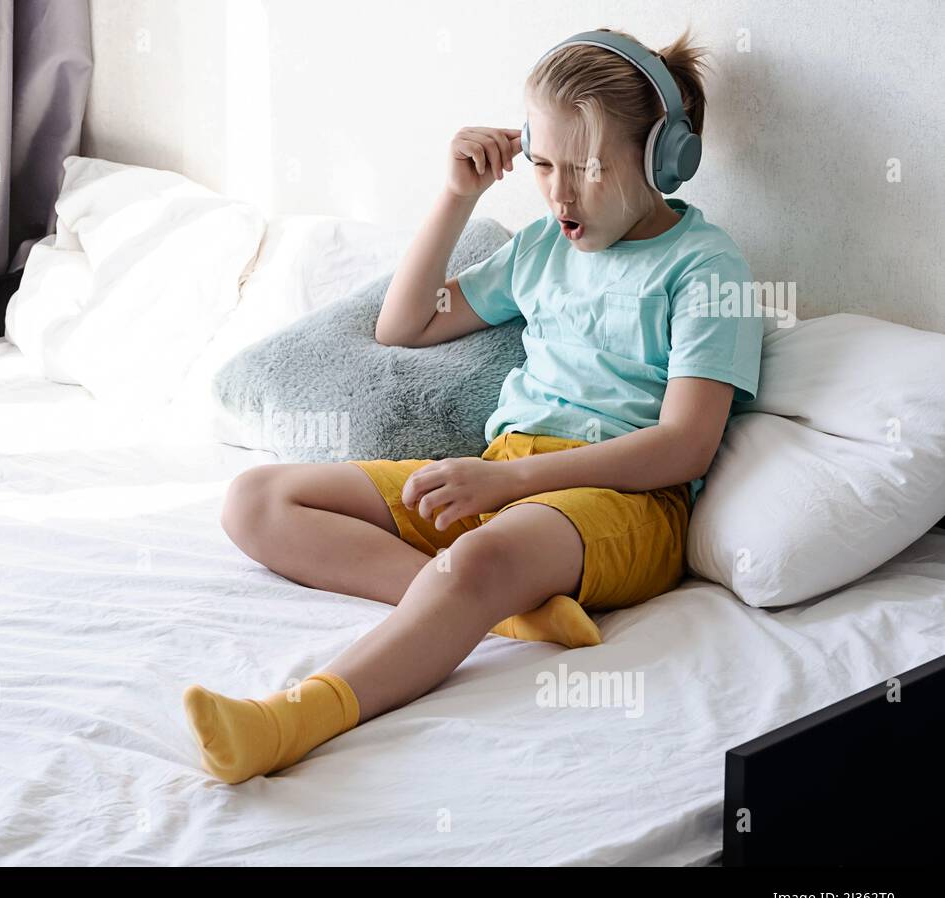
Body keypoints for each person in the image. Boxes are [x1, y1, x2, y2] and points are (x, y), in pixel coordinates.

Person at [184, 27, 763, 784]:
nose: (558, 193)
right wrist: (458, 195)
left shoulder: (705, 266)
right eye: (544, 163)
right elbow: (404, 324)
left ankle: (293, 719)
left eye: (585, 169)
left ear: (662, 160)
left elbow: (685, 445)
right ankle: (511, 610)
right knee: (255, 499)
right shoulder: (541, 250)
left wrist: (508, 486)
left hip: (626, 501)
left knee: (478, 556)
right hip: (506, 476)